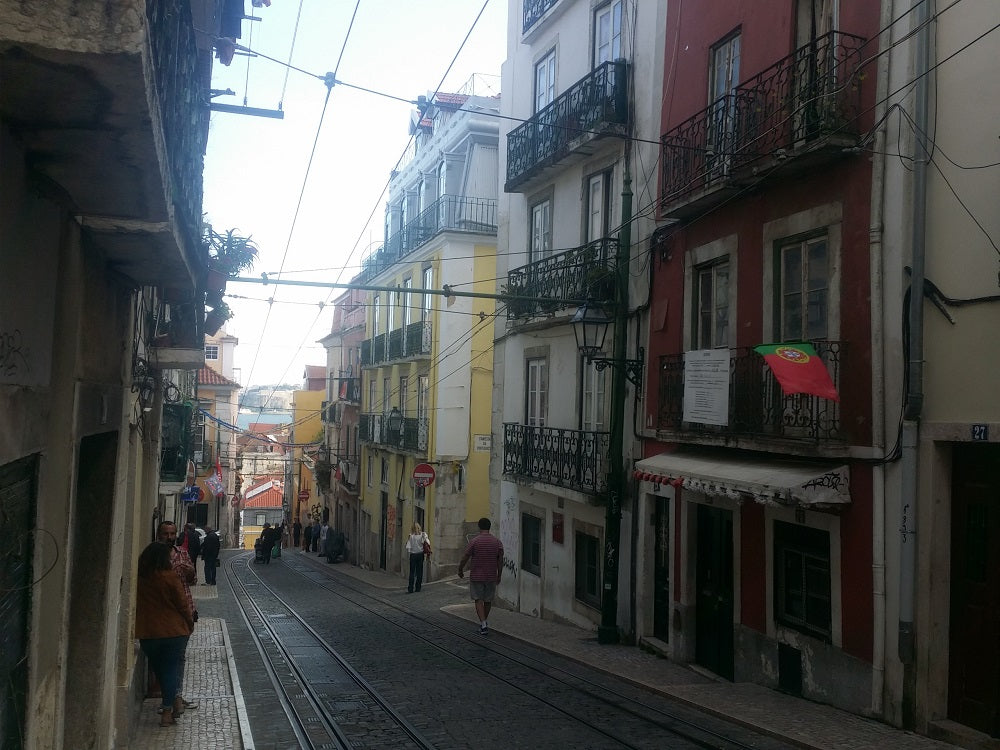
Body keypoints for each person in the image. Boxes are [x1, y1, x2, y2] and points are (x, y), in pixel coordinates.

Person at [136, 541, 194, 726]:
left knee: (160, 671)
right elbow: (182, 604)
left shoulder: (140, 578)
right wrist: (189, 622)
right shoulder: (170, 577)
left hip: (149, 633)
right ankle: (167, 711)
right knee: (170, 669)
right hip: (173, 631)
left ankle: (173, 703)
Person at [156, 521, 199, 713]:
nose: (169, 537)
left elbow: (192, 580)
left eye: (172, 533)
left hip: (183, 611)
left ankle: (176, 697)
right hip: (162, 611)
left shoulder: (182, 553)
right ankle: (168, 699)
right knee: (164, 658)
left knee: (179, 657)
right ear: (159, 535)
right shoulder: (154, 555)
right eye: (166, 534)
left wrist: (190, 572)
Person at [458, 517, 504, 635]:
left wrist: (460, 569)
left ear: (479, 527)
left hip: (477, 575)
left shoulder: (474, 541)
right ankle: (484, 622)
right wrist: (499, 575)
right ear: (489, 527)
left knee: (478, 599)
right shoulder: (497, 542)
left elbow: (465, 556)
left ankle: (483, 623)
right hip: (491, 575)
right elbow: (500, 561)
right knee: (488, 600)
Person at [404, 523, 430, 593]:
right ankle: (418, 587)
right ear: (419, 527)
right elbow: (428, 543)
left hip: (413, 555)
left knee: (412, 572)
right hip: (420, 554)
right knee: (419, 571)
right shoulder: (423, 535)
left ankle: (410, 588)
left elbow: (408, 546)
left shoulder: (411, 536)